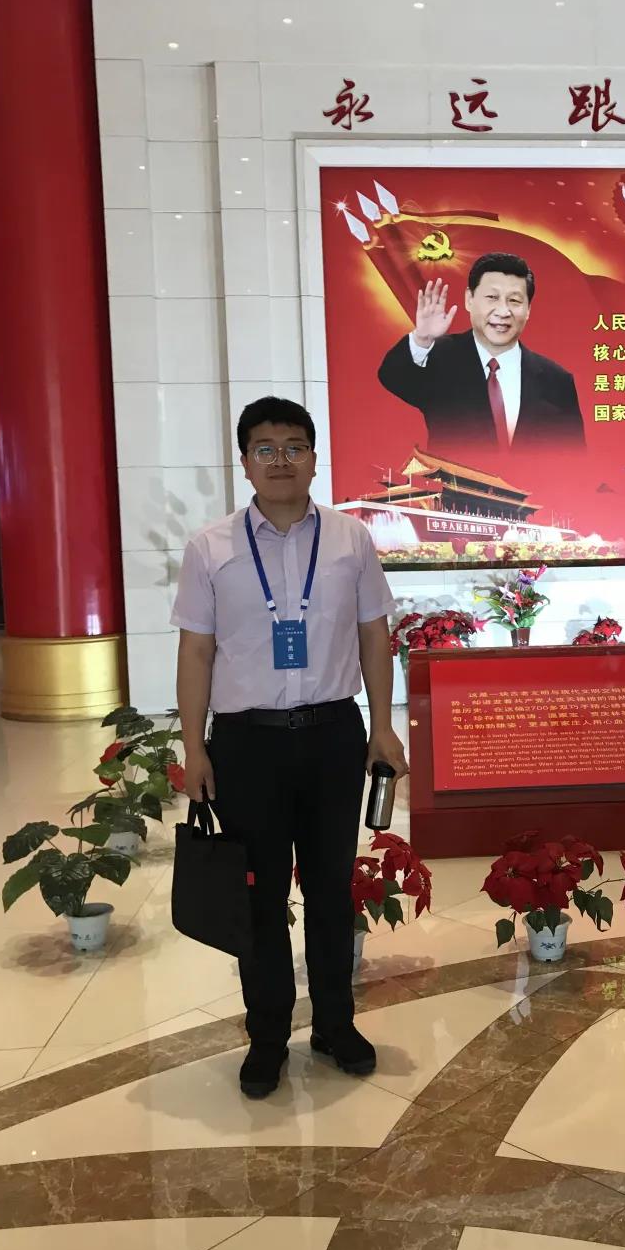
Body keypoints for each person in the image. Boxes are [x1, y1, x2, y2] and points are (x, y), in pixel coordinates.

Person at [171, 397, 408, 1100]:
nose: (281, 461)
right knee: (260, 896)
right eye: (266, 449)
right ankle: (268, 1035)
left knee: (332, 889)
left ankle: (336, 1024)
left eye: (294, 447)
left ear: (314, 458)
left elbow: (373, 635)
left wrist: (382, 725)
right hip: (247, 745)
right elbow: (196, 652)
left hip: (333, 735)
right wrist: (194, 748)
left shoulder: (350, 540)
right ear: (245, 462)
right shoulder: (210, 547)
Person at [378, 253, 585, 457]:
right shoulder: (440, 357)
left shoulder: (557, 380)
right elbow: (392, 376)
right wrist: (422, 338)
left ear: (528, 309)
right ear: (469, 299)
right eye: (492, 298)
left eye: (514, 300)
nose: (503, 311)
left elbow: (575, 457)